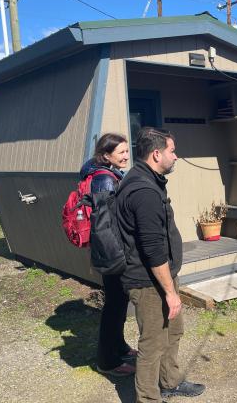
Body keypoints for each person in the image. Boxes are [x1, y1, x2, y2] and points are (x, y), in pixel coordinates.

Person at [117, 127, 205, 403]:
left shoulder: (147, 179)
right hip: (148, 282)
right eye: (172, 151)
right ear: (156, 154)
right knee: (153, 343)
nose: (176, 156)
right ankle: (148, 398)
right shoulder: (144, 191)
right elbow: (153, 250)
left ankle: (170, 382)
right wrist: (170, 292)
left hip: (162, 278)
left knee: (174, 330)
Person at [79, 133, 137, 377]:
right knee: (113, 306)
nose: (126, 156)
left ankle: (119, 346)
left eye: (126, 151)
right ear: (106, 156)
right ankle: (107, 361)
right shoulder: (104, 180)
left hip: (112, 250)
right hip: (112, 252)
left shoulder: (108, 174)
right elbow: (104, 224)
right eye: (121, 152)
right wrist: (117, 257)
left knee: (118, 303)